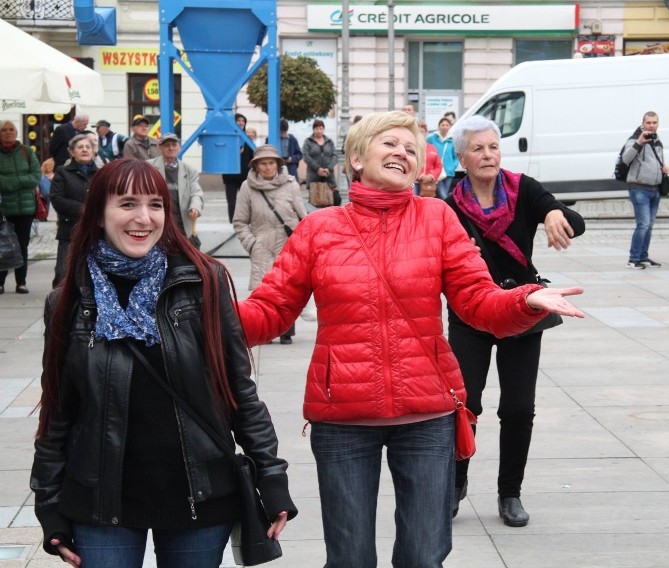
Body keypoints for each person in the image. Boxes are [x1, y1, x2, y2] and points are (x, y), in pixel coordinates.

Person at [236, 111, 584, 567]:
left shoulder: (438, 218)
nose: (404, 152)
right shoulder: (320, 228)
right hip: (343, 415)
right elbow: (272, 309)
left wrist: (524, 300)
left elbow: (478, 301)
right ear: (357, 159)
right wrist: (211, 319)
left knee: (423, 555)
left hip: (428, 415)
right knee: (350, 558)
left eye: (412, 149)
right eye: (391, 144)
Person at [31, 158, 297, 568]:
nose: (144, 218)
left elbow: (240, 391)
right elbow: (58, 412)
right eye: (127, 203)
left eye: (156, 204)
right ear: (99, 214)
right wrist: (49, 505)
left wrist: (271, 476)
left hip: (199, 496)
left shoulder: (203, 283)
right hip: (101, 501)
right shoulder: (69, 301)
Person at [445, 115, 584, 526]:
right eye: (478, 149)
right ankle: (456, 482)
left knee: (519, 407)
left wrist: (558, 214)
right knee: (464, 402)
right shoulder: (449, 206)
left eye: (493, 147)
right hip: (469, 314)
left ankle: (510, 493)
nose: (488, 155)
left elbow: (573, 223)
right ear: (462, 158)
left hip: (522, 311)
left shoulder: (523, 189)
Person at [232, 145, 306, 345]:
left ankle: (286, 331)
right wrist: (252, 244)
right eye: (263, 163)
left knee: (288, 288)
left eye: (271, 162)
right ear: (256, 166)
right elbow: (239, 221)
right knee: (263, 290)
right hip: (262, 243)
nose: (267, 167)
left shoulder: (291, 184)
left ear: (278, 164)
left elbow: (303, 217)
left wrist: (301, 244)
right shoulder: (247, 187)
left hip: (287, 243)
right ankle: (264, 330)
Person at [50, 134, 99, 288]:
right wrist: (84, 209)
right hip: (69, 230)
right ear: (72, 152)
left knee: (92, 274)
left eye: (88, 147)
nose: (84, 150)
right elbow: (57, 199)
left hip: (95, 231)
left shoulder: (101, 174)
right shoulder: (62, 172)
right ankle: (57, 306)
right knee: (62, 273)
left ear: (93, 151)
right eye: (80, 147)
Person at [622, 112, 668, 268]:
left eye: (655, 122)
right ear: (643, 123)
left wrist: (663, 168)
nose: (652, 125)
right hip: (639, 187)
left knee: (649, 225)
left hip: (655, 188)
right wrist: (639, 143)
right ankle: (633, 258)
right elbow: (626, 158)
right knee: (643, 224)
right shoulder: (634, 138)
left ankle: (643, 256)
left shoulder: (657, 140)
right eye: (648, 122)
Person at [0, 120, 40, 295]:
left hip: (25, 208)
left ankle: (21, 282)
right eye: (4, 130)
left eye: (11, 130)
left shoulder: (27, 151)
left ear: (16, 133)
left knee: (22, 245)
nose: (8, 133)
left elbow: (36, 176)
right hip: (3, 208)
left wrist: (9, 183)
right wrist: (19, 182)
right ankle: (0, 283)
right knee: (2, 245)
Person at [147, 133, 203, 237]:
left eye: (174, 145)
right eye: (167, 145)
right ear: (160, 148)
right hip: (157, 221)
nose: (171, 148)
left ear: (179, 148)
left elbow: (196, 193)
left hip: (181, 222)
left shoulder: (190, 170)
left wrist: (195, 207)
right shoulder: (148, 167)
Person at [221, 113, 254, 223]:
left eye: (243, 121)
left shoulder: (248, 139)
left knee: (247, 201)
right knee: (232, 202)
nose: (241, 123)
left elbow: (253, 157)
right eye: (238, 120)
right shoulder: (227, 138)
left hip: (244, 176)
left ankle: (246, 222)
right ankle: (233, 222)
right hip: (230, 176)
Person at [302, 119, 339, 206]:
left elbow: (335, 155)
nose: (319, 131)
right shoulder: (308, 141)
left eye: (321, 128)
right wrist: (317, 168)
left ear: (323, 129)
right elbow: (305, 156)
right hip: (314, 176)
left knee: (330, 202)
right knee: (314, 203)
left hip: (328, 175)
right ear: (313, 129)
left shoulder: (329, 141)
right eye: (317, 128)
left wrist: (328, 168)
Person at [427, 117, 459, 199]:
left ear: (450, 126)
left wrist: (453, 166)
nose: (444, 127)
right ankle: (447, 205)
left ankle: (444, 207)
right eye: (442, 125)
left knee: (445, 191)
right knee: (442, 194)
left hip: (449, 171)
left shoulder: (453, 140)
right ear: (439, 126)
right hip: (437, 170)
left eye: (447, 125)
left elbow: (456, 156)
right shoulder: (431, 139)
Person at [415, 120, 442, 196]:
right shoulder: (412, 147)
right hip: (414, 182)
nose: (421, 134)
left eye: (423, 132)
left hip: (429, 182)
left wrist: (431, 176)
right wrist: (420, 176)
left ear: (426, 133)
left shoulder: (432, 148)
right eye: (419, 132)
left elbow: (438, 166)